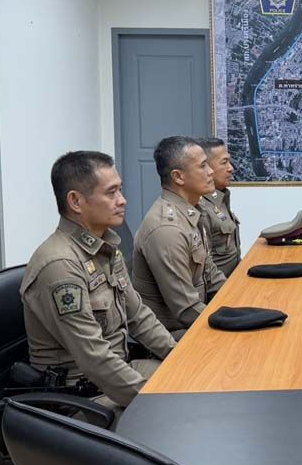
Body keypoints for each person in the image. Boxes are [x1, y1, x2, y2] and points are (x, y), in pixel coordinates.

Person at [21, 151, 176, 409]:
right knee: (181, 410)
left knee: (199, 380)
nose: (122, 200)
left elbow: (139, 317)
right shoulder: (60, 265)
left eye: (120, 190)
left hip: (119, 371)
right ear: (76, 201)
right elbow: (94, 358)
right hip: (82, 397)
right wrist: (150, 404)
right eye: (111, 192)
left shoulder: (105, 248)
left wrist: (178, 357)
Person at [132, 136, 226, 340]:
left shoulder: (194, 211)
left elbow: (212, 276)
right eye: (203, 166)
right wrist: (235, 322)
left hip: (194, 321)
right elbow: (186, 310)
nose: (211, 172)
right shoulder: (167, 229)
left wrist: (242, 301)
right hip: (172, 335)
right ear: (178, 177)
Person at [197, 137, 242, 277]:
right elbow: (204, 270)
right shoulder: (201, 209)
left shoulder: (220, 199)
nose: (231, 168)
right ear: (206, 168)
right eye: (224, 162)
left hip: (234, 279)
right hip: (220, 287)